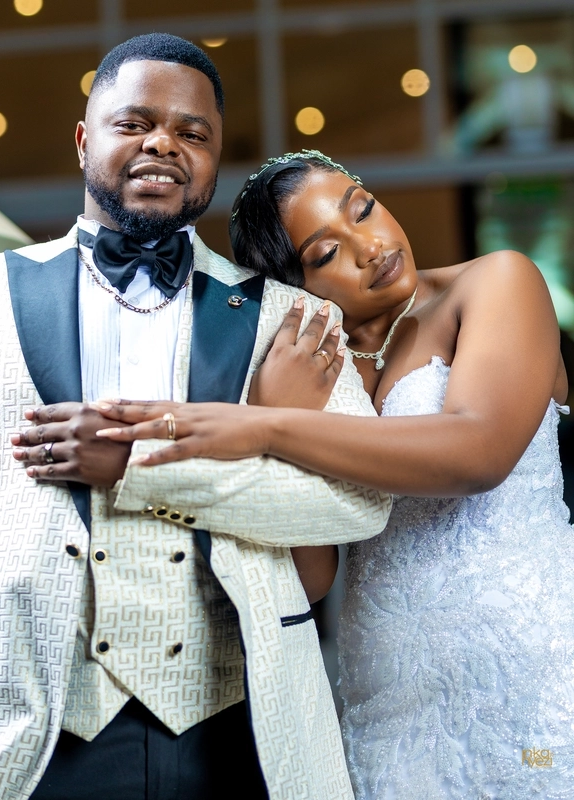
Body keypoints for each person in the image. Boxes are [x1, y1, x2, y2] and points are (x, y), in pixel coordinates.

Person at [0, 44, 392, 800]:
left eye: (193, 132)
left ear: (212, 159)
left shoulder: (296, 318)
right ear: (86, 140)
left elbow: (360, 501)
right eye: (136, 122)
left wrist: (142, 469)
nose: (163, 144)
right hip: (18, 729)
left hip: (241, 730)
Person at [94, 150, 574, 799]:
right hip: (395, 706)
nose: (371, 246)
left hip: (536, 674)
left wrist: (266, 428)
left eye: (363, 209)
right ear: (295, 287)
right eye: (326, 254)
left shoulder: (494, 283)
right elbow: (310, 577)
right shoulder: (312, 370)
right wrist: (273, 409)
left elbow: (477, 453)